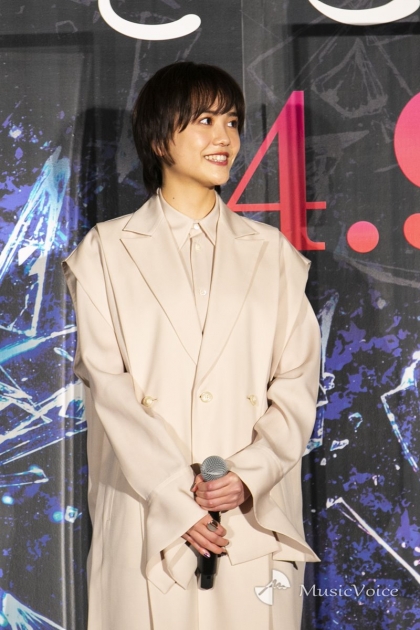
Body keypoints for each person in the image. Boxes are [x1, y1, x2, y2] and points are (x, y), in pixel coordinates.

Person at [62, 61, 320, 630]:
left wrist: (249, 474)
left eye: (232, 121)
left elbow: (298, 381)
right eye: (204, 120)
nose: (224, 137)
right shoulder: (105, 251)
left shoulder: (273, 253)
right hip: (146, 513)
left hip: (249, 515)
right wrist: (175, 496)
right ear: (160, 138)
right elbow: (109, 387)